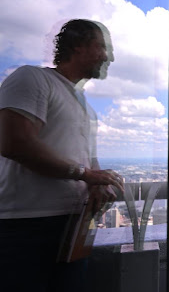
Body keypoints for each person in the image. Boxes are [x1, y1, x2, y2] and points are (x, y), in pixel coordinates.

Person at [0, 19, 124, 292]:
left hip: (72, 224)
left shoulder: (85, 106)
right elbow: (14, 142)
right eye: (102, 47)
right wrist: (85, 174)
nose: (109, 57)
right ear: (77, 46)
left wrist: (99, 181)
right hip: (24, 223)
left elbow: (89, 161)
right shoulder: (33, 78)